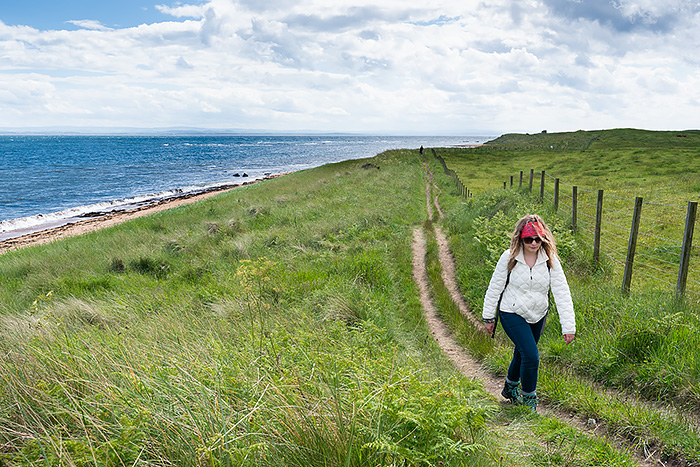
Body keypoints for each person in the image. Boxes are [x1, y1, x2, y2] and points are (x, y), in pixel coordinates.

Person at [482, 214, 575, 411]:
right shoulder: (508, 258)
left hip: (538, 314)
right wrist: (489, 317)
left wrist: (568, 326)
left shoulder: (551, 261)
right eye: (528, 239)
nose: (533, 243)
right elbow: (495, 288)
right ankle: (529, 401)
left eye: (538, 239)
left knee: (522, 352)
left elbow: (562, 292)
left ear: (544, 238)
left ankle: (510, 387)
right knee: (531, 355)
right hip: (511, 311)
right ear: (520, 239)